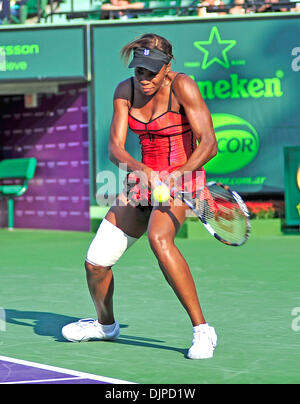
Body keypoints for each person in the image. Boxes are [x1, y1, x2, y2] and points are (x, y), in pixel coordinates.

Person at [62, 33, 218, 360]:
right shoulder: (125, 90)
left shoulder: (183, 86)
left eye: (151, 71)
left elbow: (208, 143)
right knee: (96, 262)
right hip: (143, 180)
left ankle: (203, 330)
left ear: (167, 67)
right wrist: (141, 169)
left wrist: (176, 175)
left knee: (159, 239)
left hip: (183, 178)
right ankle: (105, 326)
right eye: (139, 71)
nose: (144, 78)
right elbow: (114, 149)